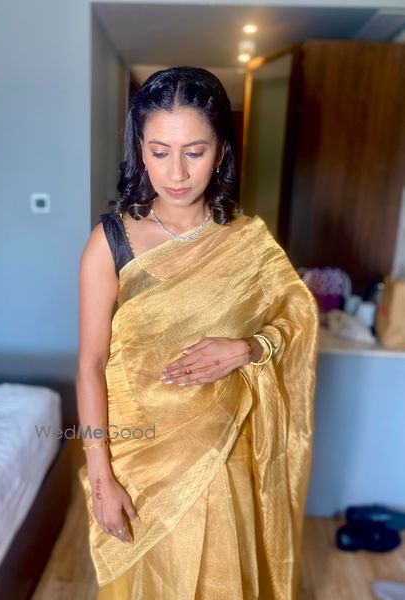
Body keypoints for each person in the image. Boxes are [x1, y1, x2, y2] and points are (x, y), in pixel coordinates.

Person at [76, 66, 319, 600]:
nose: (178, 172)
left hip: (223, 451)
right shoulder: (111, 241)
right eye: (160, 151)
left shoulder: (248, 243)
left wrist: (249, 347)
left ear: (221, 151)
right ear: (140, 151)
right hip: (138, 457)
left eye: (195, 151)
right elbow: (91, 366)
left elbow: (298, 316)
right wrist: (101, 478)